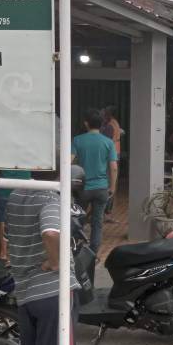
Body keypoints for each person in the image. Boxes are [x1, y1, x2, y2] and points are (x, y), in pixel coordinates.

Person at [6, 167, 121, 345]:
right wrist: (56, 262)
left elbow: (14, 235)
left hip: (25, 293)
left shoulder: (17, 194)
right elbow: (50, 233)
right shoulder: (50, 198)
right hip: (51, 295)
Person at [71, 109, 118, 254]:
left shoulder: (78, 140)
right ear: (101, 124)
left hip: (83, 189)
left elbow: (69, 161)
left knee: (78, 219)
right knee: (97, 223)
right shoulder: (108, 142)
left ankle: (75, 250)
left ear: (86, 123)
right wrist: (112, 187)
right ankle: (93, 253)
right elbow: (114, 167)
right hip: (101, 188)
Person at [0, 168, 33, 260]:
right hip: (23, 186)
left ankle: (3, 253)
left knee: (3, 220)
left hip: (4, 187)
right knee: (23, 219)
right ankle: (21, 253)